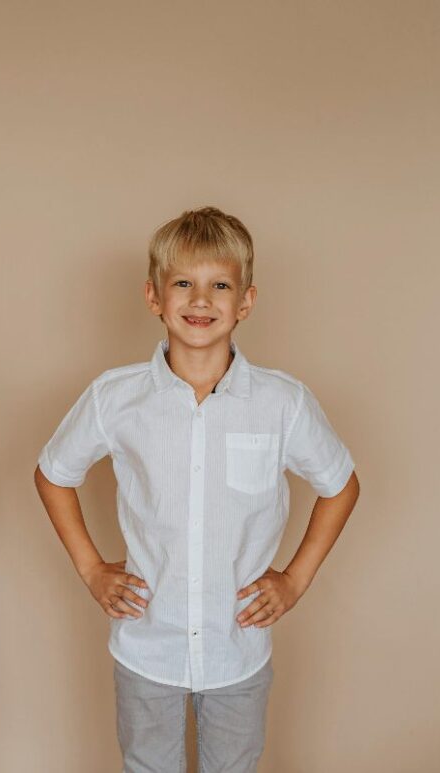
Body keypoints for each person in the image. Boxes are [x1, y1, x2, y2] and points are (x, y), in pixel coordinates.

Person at [34, 207, 360, 773]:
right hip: (146, 646)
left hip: (238, 651)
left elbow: (340, 486)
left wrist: (295, 579)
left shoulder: (282, 403)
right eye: (183, 283)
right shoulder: (117, 398)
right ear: (154, 297)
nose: (201, 299)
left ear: (246, 302)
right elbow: (54, 473)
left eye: (220, 285)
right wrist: (92, 569)